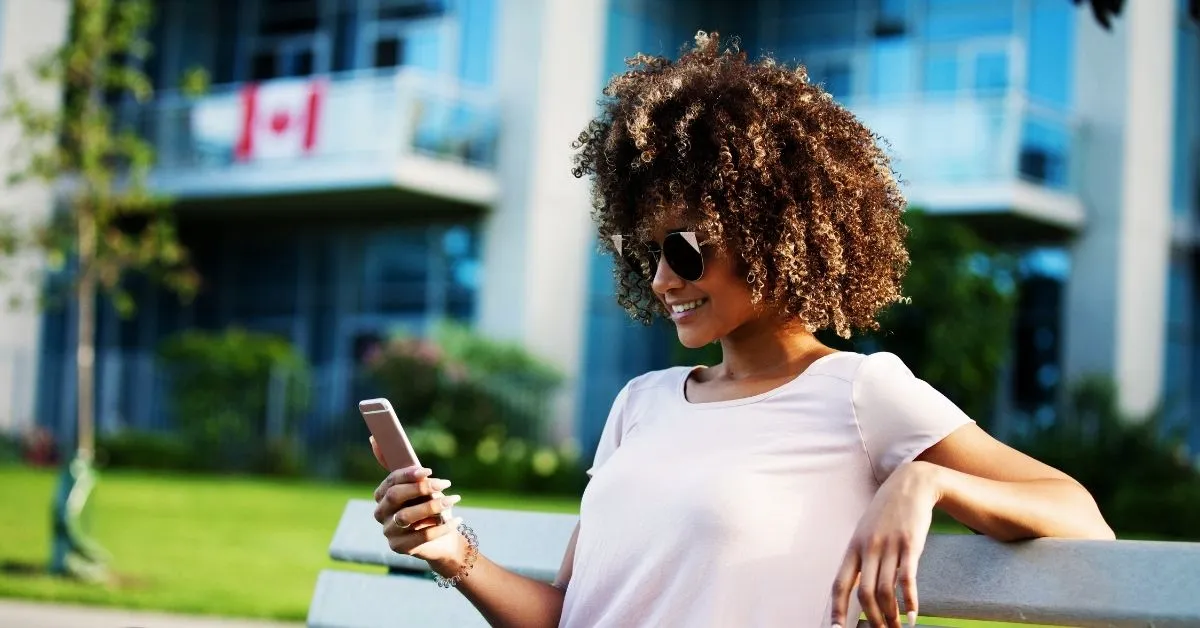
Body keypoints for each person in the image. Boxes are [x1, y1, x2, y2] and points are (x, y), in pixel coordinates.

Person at [368, 31, 1115, 628]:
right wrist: (448, 550)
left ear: (771, 231)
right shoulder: (640, 405)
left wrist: (928, 481)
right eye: (645, 253)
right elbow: (574, 615)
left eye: (684, 248)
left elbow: (1079, 518)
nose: (662, 279)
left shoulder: (861, 394)